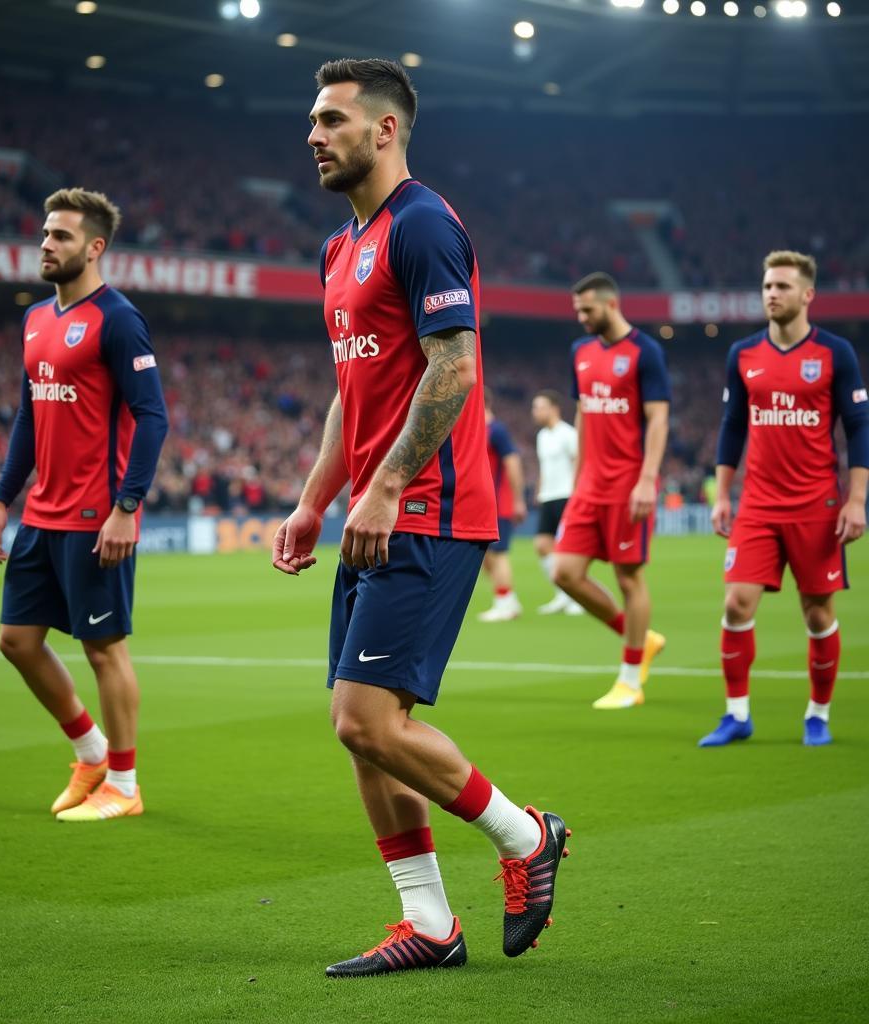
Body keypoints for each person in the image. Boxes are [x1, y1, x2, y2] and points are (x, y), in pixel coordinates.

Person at [273, 58, 570, 979]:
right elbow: (349, 393)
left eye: (330, 120)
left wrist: (388, 484)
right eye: (312, 122)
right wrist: (316, 496)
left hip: (430, 512)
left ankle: (528, 837)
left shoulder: (425, 225)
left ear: (386, 129)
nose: (313, 136)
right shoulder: (338, 248)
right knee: (359, 726)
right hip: (376, 514)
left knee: (365, 722)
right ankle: (431, 926)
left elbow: (455, 369)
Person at [0, 188, 168, 820]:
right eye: (44, 233)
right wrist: (2, 501)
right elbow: (29, 420)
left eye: (60, 236)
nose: (46, 244)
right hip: (42, 513)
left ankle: (125, 783)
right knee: (16, 641)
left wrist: (126, 505)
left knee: (104, 650)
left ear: (95, 247)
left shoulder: (118, 318)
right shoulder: (35, 320)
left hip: (96, 517)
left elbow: (152, 417)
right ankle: (90, 750)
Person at [702, 250, 868, 748]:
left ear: (807, 295)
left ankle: (817, 714)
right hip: (757, 504)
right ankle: (737, 714)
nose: (771, 293)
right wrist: (723, 493)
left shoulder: (835, 353)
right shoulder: (743, 354)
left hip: (817, 504)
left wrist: (856, 499)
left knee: (817, 613)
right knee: (736, 603)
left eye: (782, 286)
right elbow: (732, 428)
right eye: (767, 286)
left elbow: (859, 428)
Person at [551, 272, 670, 709]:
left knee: (628, 577)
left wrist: (646, 479)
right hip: (590, 485)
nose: (581, 318)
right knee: (564, 572)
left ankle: (630, 680)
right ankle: (641, 638)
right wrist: (578, 478)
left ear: (611, 304)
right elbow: (584, 415)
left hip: (627, 484)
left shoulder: (645, 352)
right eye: (578, 310)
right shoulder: (579, 352)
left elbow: (657, 418)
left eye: (588, 310)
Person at [476, 387, 527, 622]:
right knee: (485, 556)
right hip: (482, 505)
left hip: (499, 503)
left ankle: (505, 603)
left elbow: (513, 462)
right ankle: (508, 599)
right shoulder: (478, 429)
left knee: (498, 554)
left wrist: (518, 500)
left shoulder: (496, 430)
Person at [531, 389, 583, 616]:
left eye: (539, 407)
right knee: (542, 546)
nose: (535, 412)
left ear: (554, 408)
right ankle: (563, 594)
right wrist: (540, 490)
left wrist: (579, 494)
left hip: (567, 496)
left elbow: (579, 464)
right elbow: (545, 467)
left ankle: (578, 597)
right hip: (549, 497)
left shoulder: (568, 434)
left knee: (567, 549)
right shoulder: (542, 436)